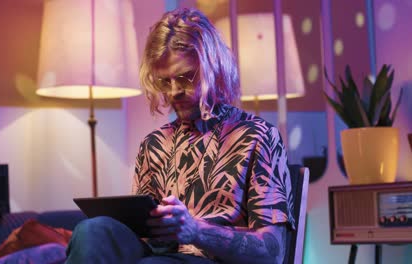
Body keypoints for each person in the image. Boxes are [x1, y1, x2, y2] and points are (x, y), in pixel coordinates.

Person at [66, 8, 294, 264]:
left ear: (214, 67)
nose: (174, 92)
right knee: (91, 229)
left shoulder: (258, 136)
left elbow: (273, 252)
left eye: (186, 77)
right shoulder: (153, 144)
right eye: (165, 81)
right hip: (159, 257)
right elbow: (141, 237)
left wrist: (195, 231)